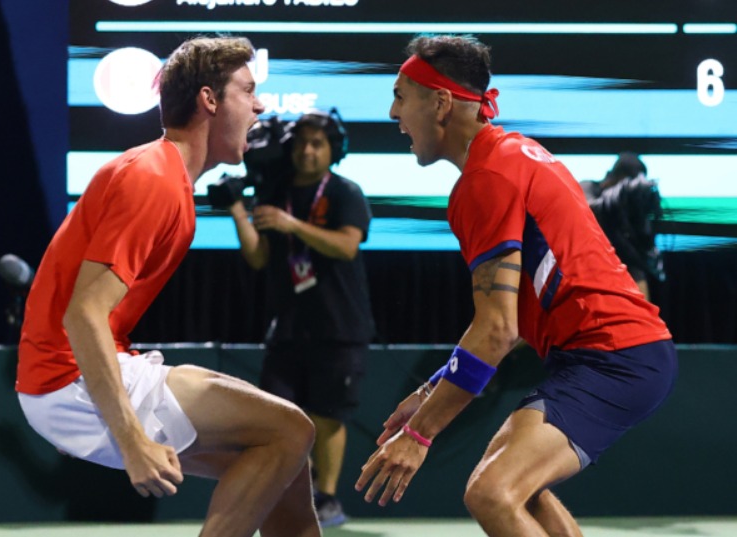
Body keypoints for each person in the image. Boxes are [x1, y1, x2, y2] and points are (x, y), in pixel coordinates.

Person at [355, 35, 677, 537]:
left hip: (613, 357)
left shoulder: (487, 179)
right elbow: (515, 322)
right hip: (610, 354)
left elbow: (497, 330)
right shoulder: (519, 152)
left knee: (491, 492)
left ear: (440, 102)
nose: (392, 112)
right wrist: (429, 389)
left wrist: (420, 434)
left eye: (401, 95)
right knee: (523, 488)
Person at [15, 36, 321, 537]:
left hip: (73, 374)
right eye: (248, 90)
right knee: (292, 429)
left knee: (285, 463)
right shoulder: (153, 178)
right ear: (209, 99)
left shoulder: (166, 177)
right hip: (66, 377)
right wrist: (131, 439)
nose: (260, 104)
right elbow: (83, 315)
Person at [227, 110, 375, 527]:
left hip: (339, 324)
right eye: (301, 143)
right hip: (288, 325)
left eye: (317, 144)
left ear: (332, 150)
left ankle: (327, 498)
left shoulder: (346, 192)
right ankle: (292, 493)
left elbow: (346, 247)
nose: (307, 151)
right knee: (278, 415)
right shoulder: (275, 192)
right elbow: (258, 256)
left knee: (328, 416)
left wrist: (291, 223)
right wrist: (240, 210)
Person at [580, 152, 665, 300]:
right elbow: (589, 213)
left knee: (642, 305)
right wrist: (619, 195)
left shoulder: (630, 209)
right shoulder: (588, 187)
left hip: (624, 266)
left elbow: (645, 251)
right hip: (588, 266)